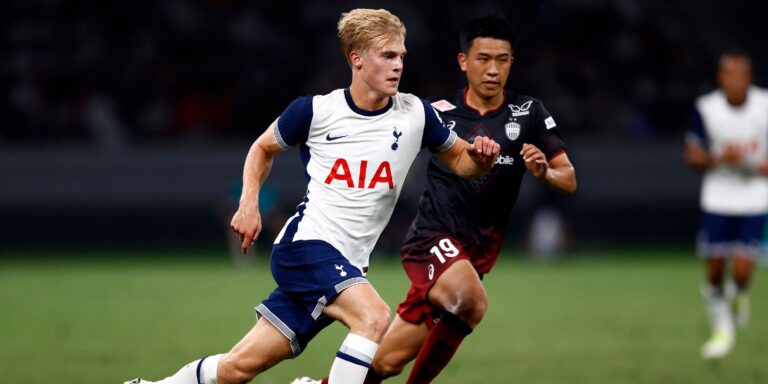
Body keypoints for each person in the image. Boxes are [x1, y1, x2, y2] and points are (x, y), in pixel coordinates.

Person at [124, 8, 500, 384]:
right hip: (307, 248)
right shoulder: (316, 111)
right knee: (373, 317)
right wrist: (249, 203)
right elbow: (262, 148)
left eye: (401, 55)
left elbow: (462, 162)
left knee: (238, 368)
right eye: (387, 55)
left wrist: (481, 159)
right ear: (356, 58)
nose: (398, 65)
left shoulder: (416, 113)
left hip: (347, 268)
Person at [294, 14, 576, 384]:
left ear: (512, 62)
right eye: (483, 58)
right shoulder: (434, 112)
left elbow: (568, 178)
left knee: (387, 362)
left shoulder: (529, 112)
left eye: (502, 60)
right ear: (464, 61)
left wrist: (544, 173)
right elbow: (380, 134)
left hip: (475, 257)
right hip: (431, 240)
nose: (493, 69)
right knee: (469, 302)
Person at [684, 50, 768, 360]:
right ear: (721, 78)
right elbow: (691, 156)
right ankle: (721, 328)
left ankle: (739, 297)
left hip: (754, 197)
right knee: (716, 270)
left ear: (751, 78)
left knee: (743, 271)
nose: (736, 81)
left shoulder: (764, 106)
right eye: (730, 75)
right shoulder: (707, 109)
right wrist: (717, 158)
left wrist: (758, 166)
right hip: (718, 197)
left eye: (742, 75)